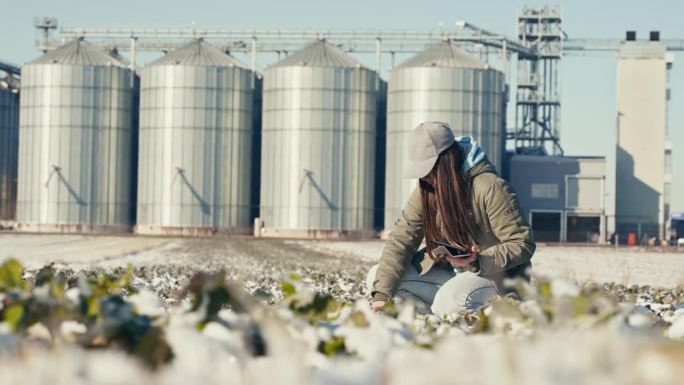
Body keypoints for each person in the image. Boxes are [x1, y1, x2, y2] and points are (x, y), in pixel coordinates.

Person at [367, 122, 536, 317]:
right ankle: (433, 319)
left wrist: (478, 259)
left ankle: (494, 314)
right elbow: (401, 239)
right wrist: (381, 297)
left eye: (430, 170)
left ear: (447, 159)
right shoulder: (426, 189)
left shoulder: (490, 187)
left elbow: (522, 243)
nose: (426, 177)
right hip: (450, 273)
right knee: (377, 279)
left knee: (451, 300)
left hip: (495, 277)